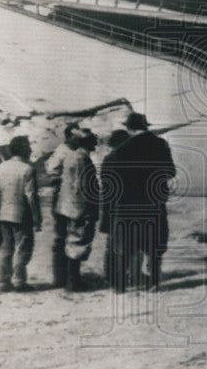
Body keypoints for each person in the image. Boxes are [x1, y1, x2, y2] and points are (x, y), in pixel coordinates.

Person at [105, 112, 176, 292]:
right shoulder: (160, 144)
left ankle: (120, 286)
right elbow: (171, 171)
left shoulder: (122, 148)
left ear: (129, 128)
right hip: (153, 202)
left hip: (127, 202)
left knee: (125, 244)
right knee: (153, 243)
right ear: (146, 126)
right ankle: (153, 283)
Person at [45, 124, 99, 293]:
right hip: (78, 207)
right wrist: (90, 207)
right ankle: (73, 282)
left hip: (67, 205)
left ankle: (66, 279)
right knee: (77, 242)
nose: (95, 145)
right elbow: (82, 186)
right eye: (92, 142)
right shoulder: (81, 159)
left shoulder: (73, 156)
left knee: (68, 240)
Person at [0, 135, 42, 291]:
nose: (31, 149)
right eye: (28, 147)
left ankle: (3, 281)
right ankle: (19, 281)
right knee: (23, 247)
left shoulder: (2, 167)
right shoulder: (28, 169)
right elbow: (31, 196)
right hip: (22, 214)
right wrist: (37, 217)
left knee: (6, 247)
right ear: (23, 149)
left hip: (4, 214)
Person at [98, 129, 131, 286]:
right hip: (126, 205)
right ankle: (121, 277)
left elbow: (105, 184)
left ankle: (110, 275)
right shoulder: (132, 161)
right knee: (126, 243)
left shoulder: (108, 159)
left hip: (110, 204)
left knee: (112, 242)